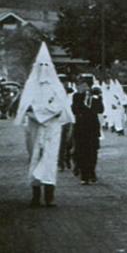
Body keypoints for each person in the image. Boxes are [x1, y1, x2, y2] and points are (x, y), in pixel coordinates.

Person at [16, 43, 75, 207]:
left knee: (50, 159)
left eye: (46, 65)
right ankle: (35, 195)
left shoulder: (57, 87)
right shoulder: (31, 87)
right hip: (35, 128)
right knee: (34, 157)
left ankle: (49, 195)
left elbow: (60, 107)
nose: (43, 68)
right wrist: (39, 113)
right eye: (40, 65)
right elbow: (26, 107)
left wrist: (44, 112)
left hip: (52, 128)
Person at [72, 78, 104, 185]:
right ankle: (84, 175)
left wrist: (97, 98)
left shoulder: (96, 96)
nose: (83, 88)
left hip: (93, 128)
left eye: (85, 85)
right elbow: (75, 110)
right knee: (81, 152)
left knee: (93, 152)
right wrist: (84, 101)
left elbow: (100, 109)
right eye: (81, 85)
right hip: (81, 128)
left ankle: (92, 172)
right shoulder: (77, 96)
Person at [57, 81, 75, 172]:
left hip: (70, 122)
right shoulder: (56, 98)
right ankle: (61, 163)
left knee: (70, 143)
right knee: (60, 144)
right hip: (59, 123)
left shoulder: (71, 98)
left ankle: (67, 159)